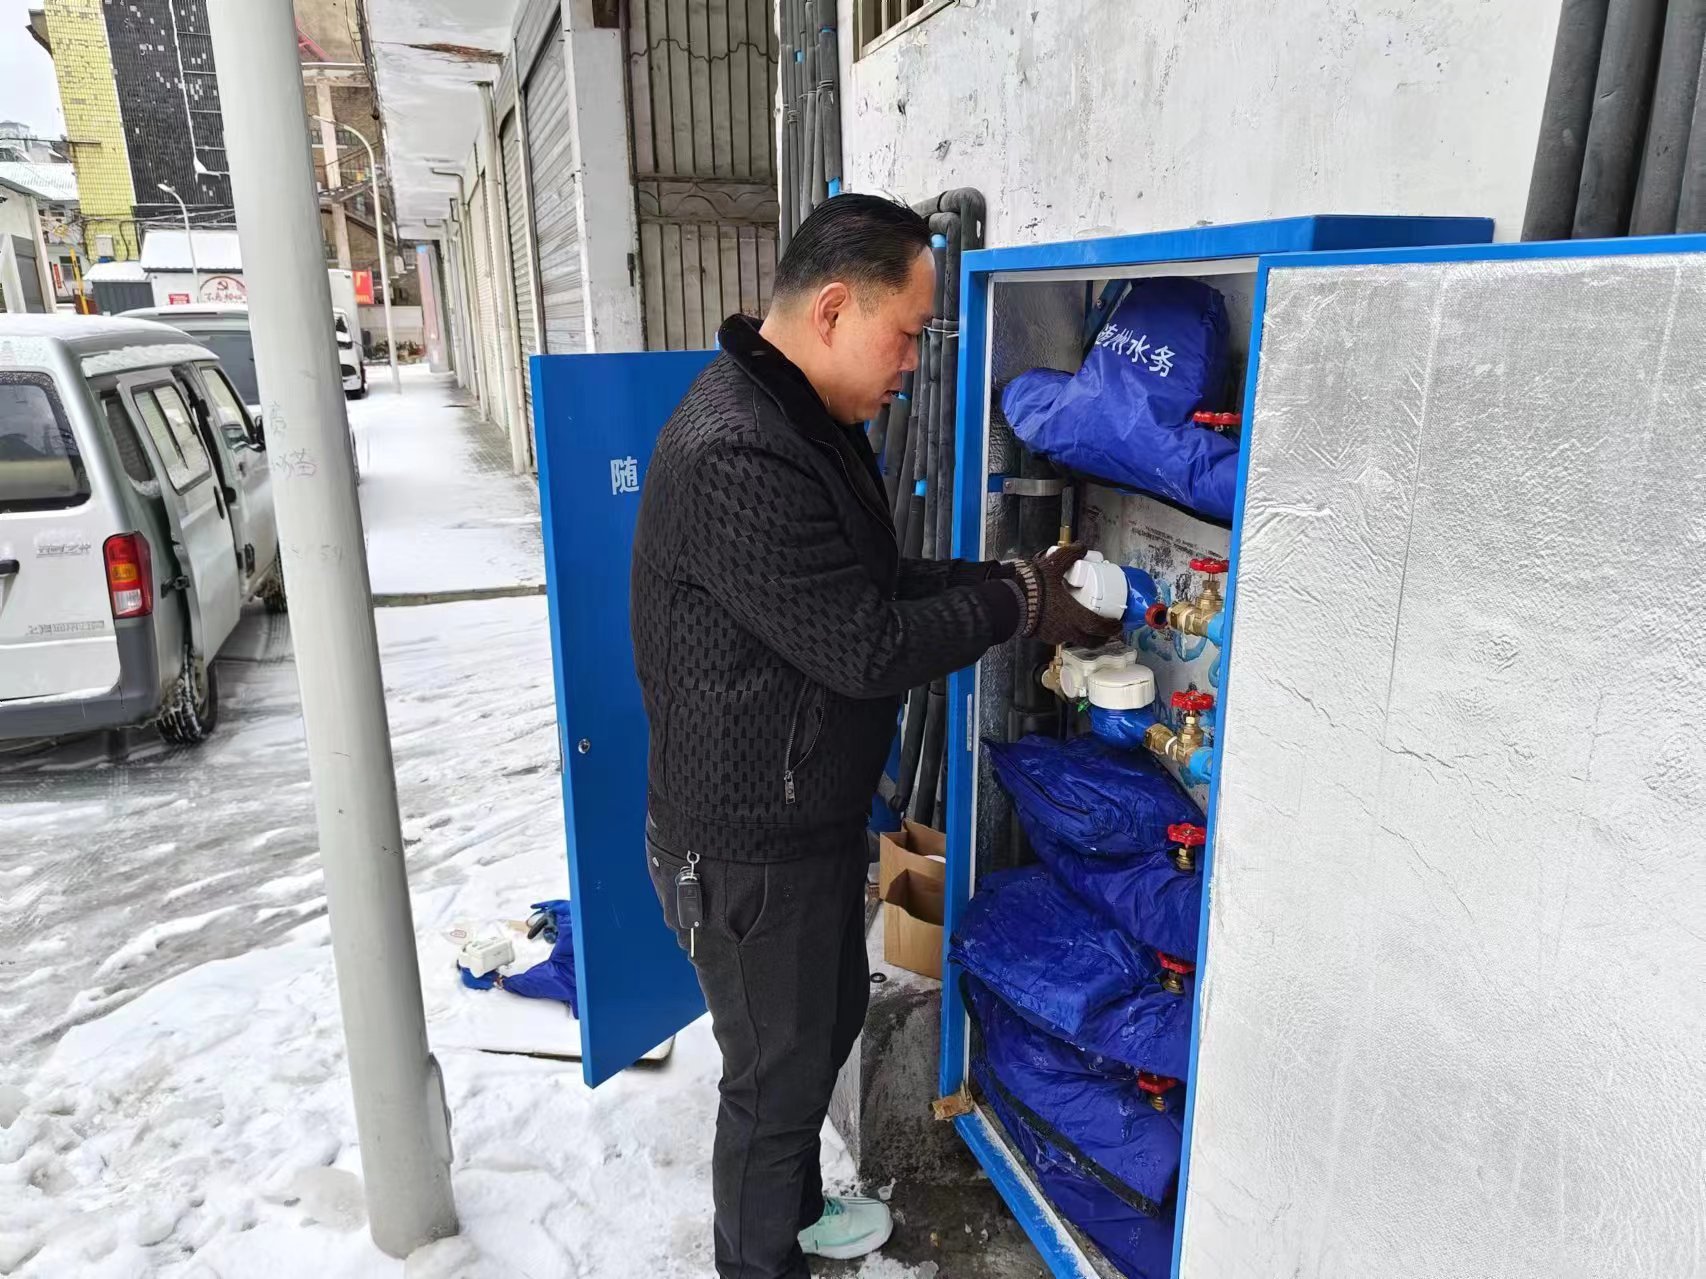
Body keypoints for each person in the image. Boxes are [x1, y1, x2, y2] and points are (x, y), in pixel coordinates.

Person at [630, 194, 1119, 1279]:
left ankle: (799, 1213)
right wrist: (1020, 606)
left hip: (802, 818)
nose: (912, 360)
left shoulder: (806, 423)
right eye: (905, 333)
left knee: (821, 1029)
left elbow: (873, 583)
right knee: (772, 1084)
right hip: (746, 849)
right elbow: (862, 643)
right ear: (834, 310)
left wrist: (1007, 580)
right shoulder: (737, 451)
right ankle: (759, 1261)